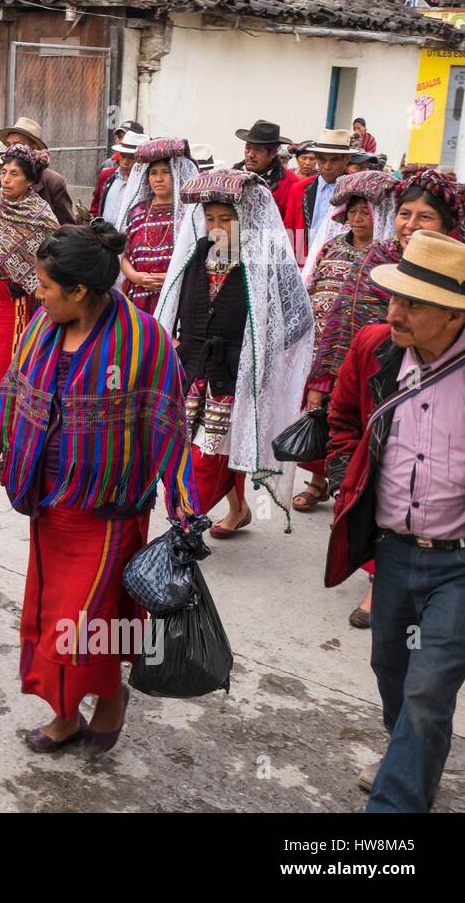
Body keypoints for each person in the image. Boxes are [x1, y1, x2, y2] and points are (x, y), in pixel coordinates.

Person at [0, 222, 200, 756]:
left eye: (47, 287)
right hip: (46, 500)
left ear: (78, 291)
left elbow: (168, 424)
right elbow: (13, 391)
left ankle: (109, 696)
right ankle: (66, 712)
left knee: (84, 618)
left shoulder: (145, 341)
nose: (39, 295)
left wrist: (184, 507)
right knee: (52, 611)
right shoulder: (40, 329)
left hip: (108, 507)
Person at [324, 228, 465, 812]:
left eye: (413, 302)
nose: (396, 310)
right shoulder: (376, 349)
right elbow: (341, 418)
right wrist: (342, 478)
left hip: (458, 562)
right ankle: (410, 758)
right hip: (392, 553)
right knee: (394, 668)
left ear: (456, 313)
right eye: (395, 297)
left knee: (430, 684)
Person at [154, 169, 314, 539]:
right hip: (193, 369)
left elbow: (298, 318)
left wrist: (260, 355)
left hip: (234, 375)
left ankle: (184, 524)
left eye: (226, 219)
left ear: (247, 218)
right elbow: (174, 304)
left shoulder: (265, 260)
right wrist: (173, 341)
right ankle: (239, 509)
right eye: (210, 218)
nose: (217, 226)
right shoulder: (197, 254)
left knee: (208, 456)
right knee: (198, 446)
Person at [293, 172, 397, 521]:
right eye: (352, 211)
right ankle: (317, 481)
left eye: (364, 212)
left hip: (367, 353)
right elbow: (312, 284)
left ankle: (352, 491)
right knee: (324, 414)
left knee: (358, 421)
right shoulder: (333, 246)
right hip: (326, 343)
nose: (356, 218)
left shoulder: (386, 257)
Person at [0, 143, 61, 388]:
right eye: (3, 172)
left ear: (30, 181)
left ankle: (8, 418)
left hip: (17, 302)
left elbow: (51, 260)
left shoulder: (40, 216)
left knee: (9, 367)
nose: (6, 179)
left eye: (15, 174)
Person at [115, 138, 198, 313]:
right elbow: (124, 255)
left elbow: (196, 256)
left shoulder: (189, 214)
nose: (158, 179)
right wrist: (135, 276)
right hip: (137, 297)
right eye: (153, 173)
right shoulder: (137, 211)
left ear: (177, 174)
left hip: (175, 297)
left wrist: (171, 278)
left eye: (165, 172)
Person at [0, 116, 76, 227]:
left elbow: (67, 228)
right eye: (8, 145)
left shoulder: (53, 182)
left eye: (17, 144)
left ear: (34, 147)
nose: (11, 149)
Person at [283, 129, 356, 264]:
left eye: (334, 160)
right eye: (322, 160)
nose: (327, 166)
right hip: (302, 262)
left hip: (338, 262)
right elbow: (290, 228)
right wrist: (296, 262)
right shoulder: (299, 189)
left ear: (346, 160)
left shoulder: (354, 191)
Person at [232, 119, 299, 219]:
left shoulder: (290, 182)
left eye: (258, 150)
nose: (250, 155)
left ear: (273, 153)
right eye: (248, 148)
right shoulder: (233, 175)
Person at [91, 129, 147, 221]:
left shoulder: (147, 184)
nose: (125, 162)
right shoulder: (107, 175)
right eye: (123, 156)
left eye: (131, 158)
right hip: (103, 233)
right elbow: (95, 206)